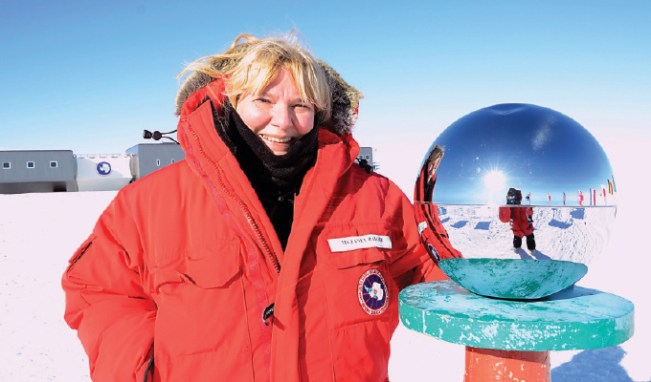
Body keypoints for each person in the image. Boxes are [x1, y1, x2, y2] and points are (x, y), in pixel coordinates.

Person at [62, 33, 447, 381]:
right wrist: (141, 368)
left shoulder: (374, 197)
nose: (283, 122)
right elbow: (99, 290)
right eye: (264, 99)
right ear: (230, 101)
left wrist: (490, 277)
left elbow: (428, 266)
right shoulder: (148, 203)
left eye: (301, 105)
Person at [413, 144, 462, 261]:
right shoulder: (416, 184)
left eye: (435, 168)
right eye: (431, 165)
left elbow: (433, 218)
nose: (432, 171)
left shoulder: (430, 186)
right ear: (426, 162)